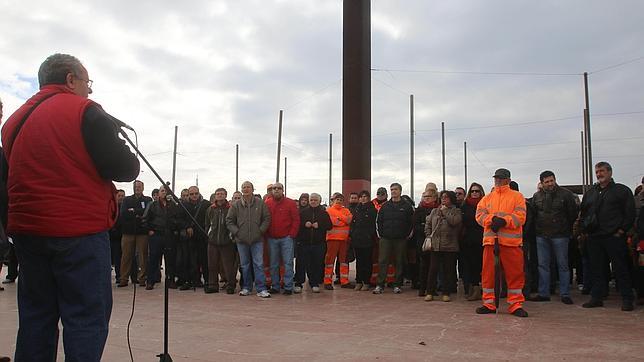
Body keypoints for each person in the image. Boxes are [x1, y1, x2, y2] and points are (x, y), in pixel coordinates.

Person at [1, 53, 139, 361]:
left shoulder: (13, 121)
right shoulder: (85, 111)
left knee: (36, 317)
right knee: (86, 318)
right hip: (78, 231)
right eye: (86, 82)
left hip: (28, 232)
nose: (89, 90)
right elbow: (125, 169)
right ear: (70, 79)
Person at [579, 162, 636, 311]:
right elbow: (583, 212)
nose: (599, 174)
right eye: (597, 172)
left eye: (602, 171)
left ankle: (627, 298)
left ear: (610, 172)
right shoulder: (591, 193)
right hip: (594, 237)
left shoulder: (621, 191)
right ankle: (597, 297)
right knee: (596, 269)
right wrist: (584, 230)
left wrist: (621, 231)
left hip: (614, 237)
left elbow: (630, 213)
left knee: (620, 269)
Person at [475, 168, 528, 317]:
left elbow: (521, 217)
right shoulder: (487, 198)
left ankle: (516, 305)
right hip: (491, 242)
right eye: (496, 178)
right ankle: (489, 304)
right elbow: (479, 215)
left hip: (512, 244)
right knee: (488, 274)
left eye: (501, 178)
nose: (498, 180)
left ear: (508, 180)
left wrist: (504, 221)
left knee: (515, 275)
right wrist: (491, 220)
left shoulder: (517, 196)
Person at [529, 170, 578, 304]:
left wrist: (565, 229)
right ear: (542, 183)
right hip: (541, 235)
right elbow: (533, 214)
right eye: (547, 182)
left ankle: (565, 293)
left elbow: (572, 214)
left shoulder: (566, 194)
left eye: (552, 180)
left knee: (562, 265)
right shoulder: (536, 196)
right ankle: (543, 293)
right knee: (543, 265)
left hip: (560, 235)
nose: (550, 184)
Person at [226, 181, 272, 298]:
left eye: (248, 187)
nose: (246, 189)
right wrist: (237, 232)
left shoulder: (260, 203)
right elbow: (229, 221)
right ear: (242, 190)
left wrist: (260, 231)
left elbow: (267, 218)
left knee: (258, 264)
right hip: (241, 240)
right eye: (244, 187)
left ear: (253, 189)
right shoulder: (235, 205)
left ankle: (261, 289)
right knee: (245, 265)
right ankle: (246, 287)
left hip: (257, 239)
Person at [373, 183, 414, 294]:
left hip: (401, 239)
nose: (393, 191)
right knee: (383, 261)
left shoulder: (407, 206)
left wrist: (407, 235)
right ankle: (380, 285)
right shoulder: (385, 206)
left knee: (399, 261)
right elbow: (378, 221)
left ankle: (397, 285)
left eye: (395, 189)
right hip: (385, 238)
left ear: (400, 191)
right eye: (391, 189)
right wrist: (380, 235)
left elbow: (411, 222)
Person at [424, 191, 462, 302]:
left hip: (450, 245)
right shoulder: (435, 211)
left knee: (448, 270)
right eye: (442, 197)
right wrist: (429, 235)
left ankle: (446, 293)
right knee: (433, 269)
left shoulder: (456, 211)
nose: (443, 199)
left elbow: (454, 222)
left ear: (451, 199)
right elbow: (428, 224)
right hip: (436, 244)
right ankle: (430, 292)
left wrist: (445, 212)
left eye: (446, 197)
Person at [142, 184, 182, 290]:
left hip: (169, 235)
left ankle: (171, 280)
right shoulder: (152, 205)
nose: (164, 193)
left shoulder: (173, 205)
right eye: (162, 191)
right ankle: (150, 281)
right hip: (156, 235)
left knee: (170, 259)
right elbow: (145, 219)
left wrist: (175, 229)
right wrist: (149, 230)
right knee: (153, 259)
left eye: (166, 191)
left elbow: (178, 218)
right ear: (158, 193)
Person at [265, 182, 300, 295]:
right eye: (274, 188)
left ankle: (288, 286)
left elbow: (296, 220)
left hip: (286, 238)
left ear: (283, 190)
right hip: (272, 238)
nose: (276, 190)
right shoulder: (268, 203)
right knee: (273, 264)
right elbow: (265, 219)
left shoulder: (290, 203)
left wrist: (291, 235)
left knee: (288, 263)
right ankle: (275, 286)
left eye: (279, 188)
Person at [294, 193, 332, 293]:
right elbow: (297, 225)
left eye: (315, 200)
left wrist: (319, 225)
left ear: (319, 201)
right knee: (300, 263)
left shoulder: (324, 213)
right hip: (303, 243)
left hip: (318, 243)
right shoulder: (303, 212)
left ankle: (314, 283)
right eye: (311, 200)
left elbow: (329, 226)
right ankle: (298, 283)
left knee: (316, 264)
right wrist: (304, 224)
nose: (313, 202)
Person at [119, 180, 153, 287]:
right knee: (126, 256)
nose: (137, 188)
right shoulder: (127, 200)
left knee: (143, 256)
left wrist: (134, 211)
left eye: (139, 186)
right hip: (128, 232)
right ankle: (123, 279)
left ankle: (142, 278)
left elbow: (147, 213)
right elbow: (124, 214)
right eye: (135, 186)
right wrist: (139, 212)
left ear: (143, 188)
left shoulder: (148, 200)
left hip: (142, 232)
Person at [205, 188, 237, 294]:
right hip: (213, 241)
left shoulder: (231, 208)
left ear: (225, 195)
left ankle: (230, 285)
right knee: (212, 265)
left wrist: (231, 236)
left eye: (222, 194)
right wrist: (209, 235)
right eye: (218, 194)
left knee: (228, 265)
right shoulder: (211, 209)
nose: (219, 195)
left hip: (227, 241)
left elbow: (234, 222)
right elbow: (207, 224)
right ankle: (213, 285)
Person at [178, 186, 210, 290]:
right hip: (190, 237)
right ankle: (191, 280)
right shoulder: (184, 205)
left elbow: (209, 219)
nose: (194, 196)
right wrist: (187, 226)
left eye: (196, 193)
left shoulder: (205, 204)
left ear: (199, 193)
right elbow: (179, 219)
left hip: (202, 236)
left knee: (204, 260)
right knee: (189, 260)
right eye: (191, 194)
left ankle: (207, 281)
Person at [460, 183, 485, 301]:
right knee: (468, 265)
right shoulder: (465, 206)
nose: (474, 193)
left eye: (477, 191)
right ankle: (471, 289)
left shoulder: (485, 204)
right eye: (472, 191)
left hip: (481, 239)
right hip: (467, 240)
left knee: (479, 265)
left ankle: (479, 290)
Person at [324, 192, 353, 289]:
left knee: (344, 261)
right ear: (334, 200)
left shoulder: (346, 210)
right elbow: (333, 222)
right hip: (332, 239)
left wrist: (340, 218)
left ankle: (344, 281)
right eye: (337, 199)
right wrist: (343, 221)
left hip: (344, 240)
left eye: (341, 199)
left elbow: (349, 221)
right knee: (329, 261)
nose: (339, 201)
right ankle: (327, 281)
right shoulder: (329, 210)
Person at [350, 190, 378, 291]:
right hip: (357, 239)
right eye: (361, 197)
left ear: (369, 198)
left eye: (365, 196)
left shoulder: (372, 210)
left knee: (367, 261)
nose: (363, 198)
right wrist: (352, 234)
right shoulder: (357, 209)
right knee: (359, 262)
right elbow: (353, 223)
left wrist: (370, 235)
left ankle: (366, 282)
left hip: (367, 240)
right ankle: (358, 281)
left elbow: (374, 225)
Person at [415, 190, 440, 296]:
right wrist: (426, 229)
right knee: (423, 266)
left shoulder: (438, 210)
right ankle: (422, 288)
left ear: (435, 197)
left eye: (429, 196)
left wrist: (426, 226)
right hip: (423, 241)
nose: (426, 198)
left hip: (435, 241)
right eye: (424, 196)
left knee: (433, 267)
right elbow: (415, 226)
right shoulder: (419, 210)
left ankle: (432, 289)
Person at [109, 189, 126, 282]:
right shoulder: (112, 207)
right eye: (119, 196)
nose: (121, 198)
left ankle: (119, 276)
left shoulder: (125, 207)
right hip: (111, 235)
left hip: (121, 235)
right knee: (110, 257)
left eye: (122, 196)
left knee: (119, 257)